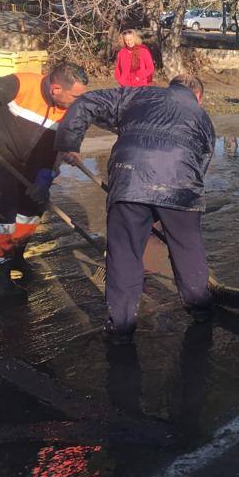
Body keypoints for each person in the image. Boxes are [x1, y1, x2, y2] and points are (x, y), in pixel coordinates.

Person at [56, 75, 216, 344]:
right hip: (180, 183)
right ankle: (199, 307)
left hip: (129, 177)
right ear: (198, 96)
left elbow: (86, 102)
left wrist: (68, 144)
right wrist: (176, 204)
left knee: (125, 252)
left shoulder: (137, 95)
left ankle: (121, 326)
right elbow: (203, 162)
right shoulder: (201, 117)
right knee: (187, 246)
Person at [0, 62, 89, 295]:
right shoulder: (21, 84)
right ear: (56, 89)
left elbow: (60, 149)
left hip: (36, 164)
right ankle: (0, 274)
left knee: (31, 208)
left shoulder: (72, 110)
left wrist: (46, 176)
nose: (79, 102)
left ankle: (15, 254)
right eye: (75, 96)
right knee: (2, 211)